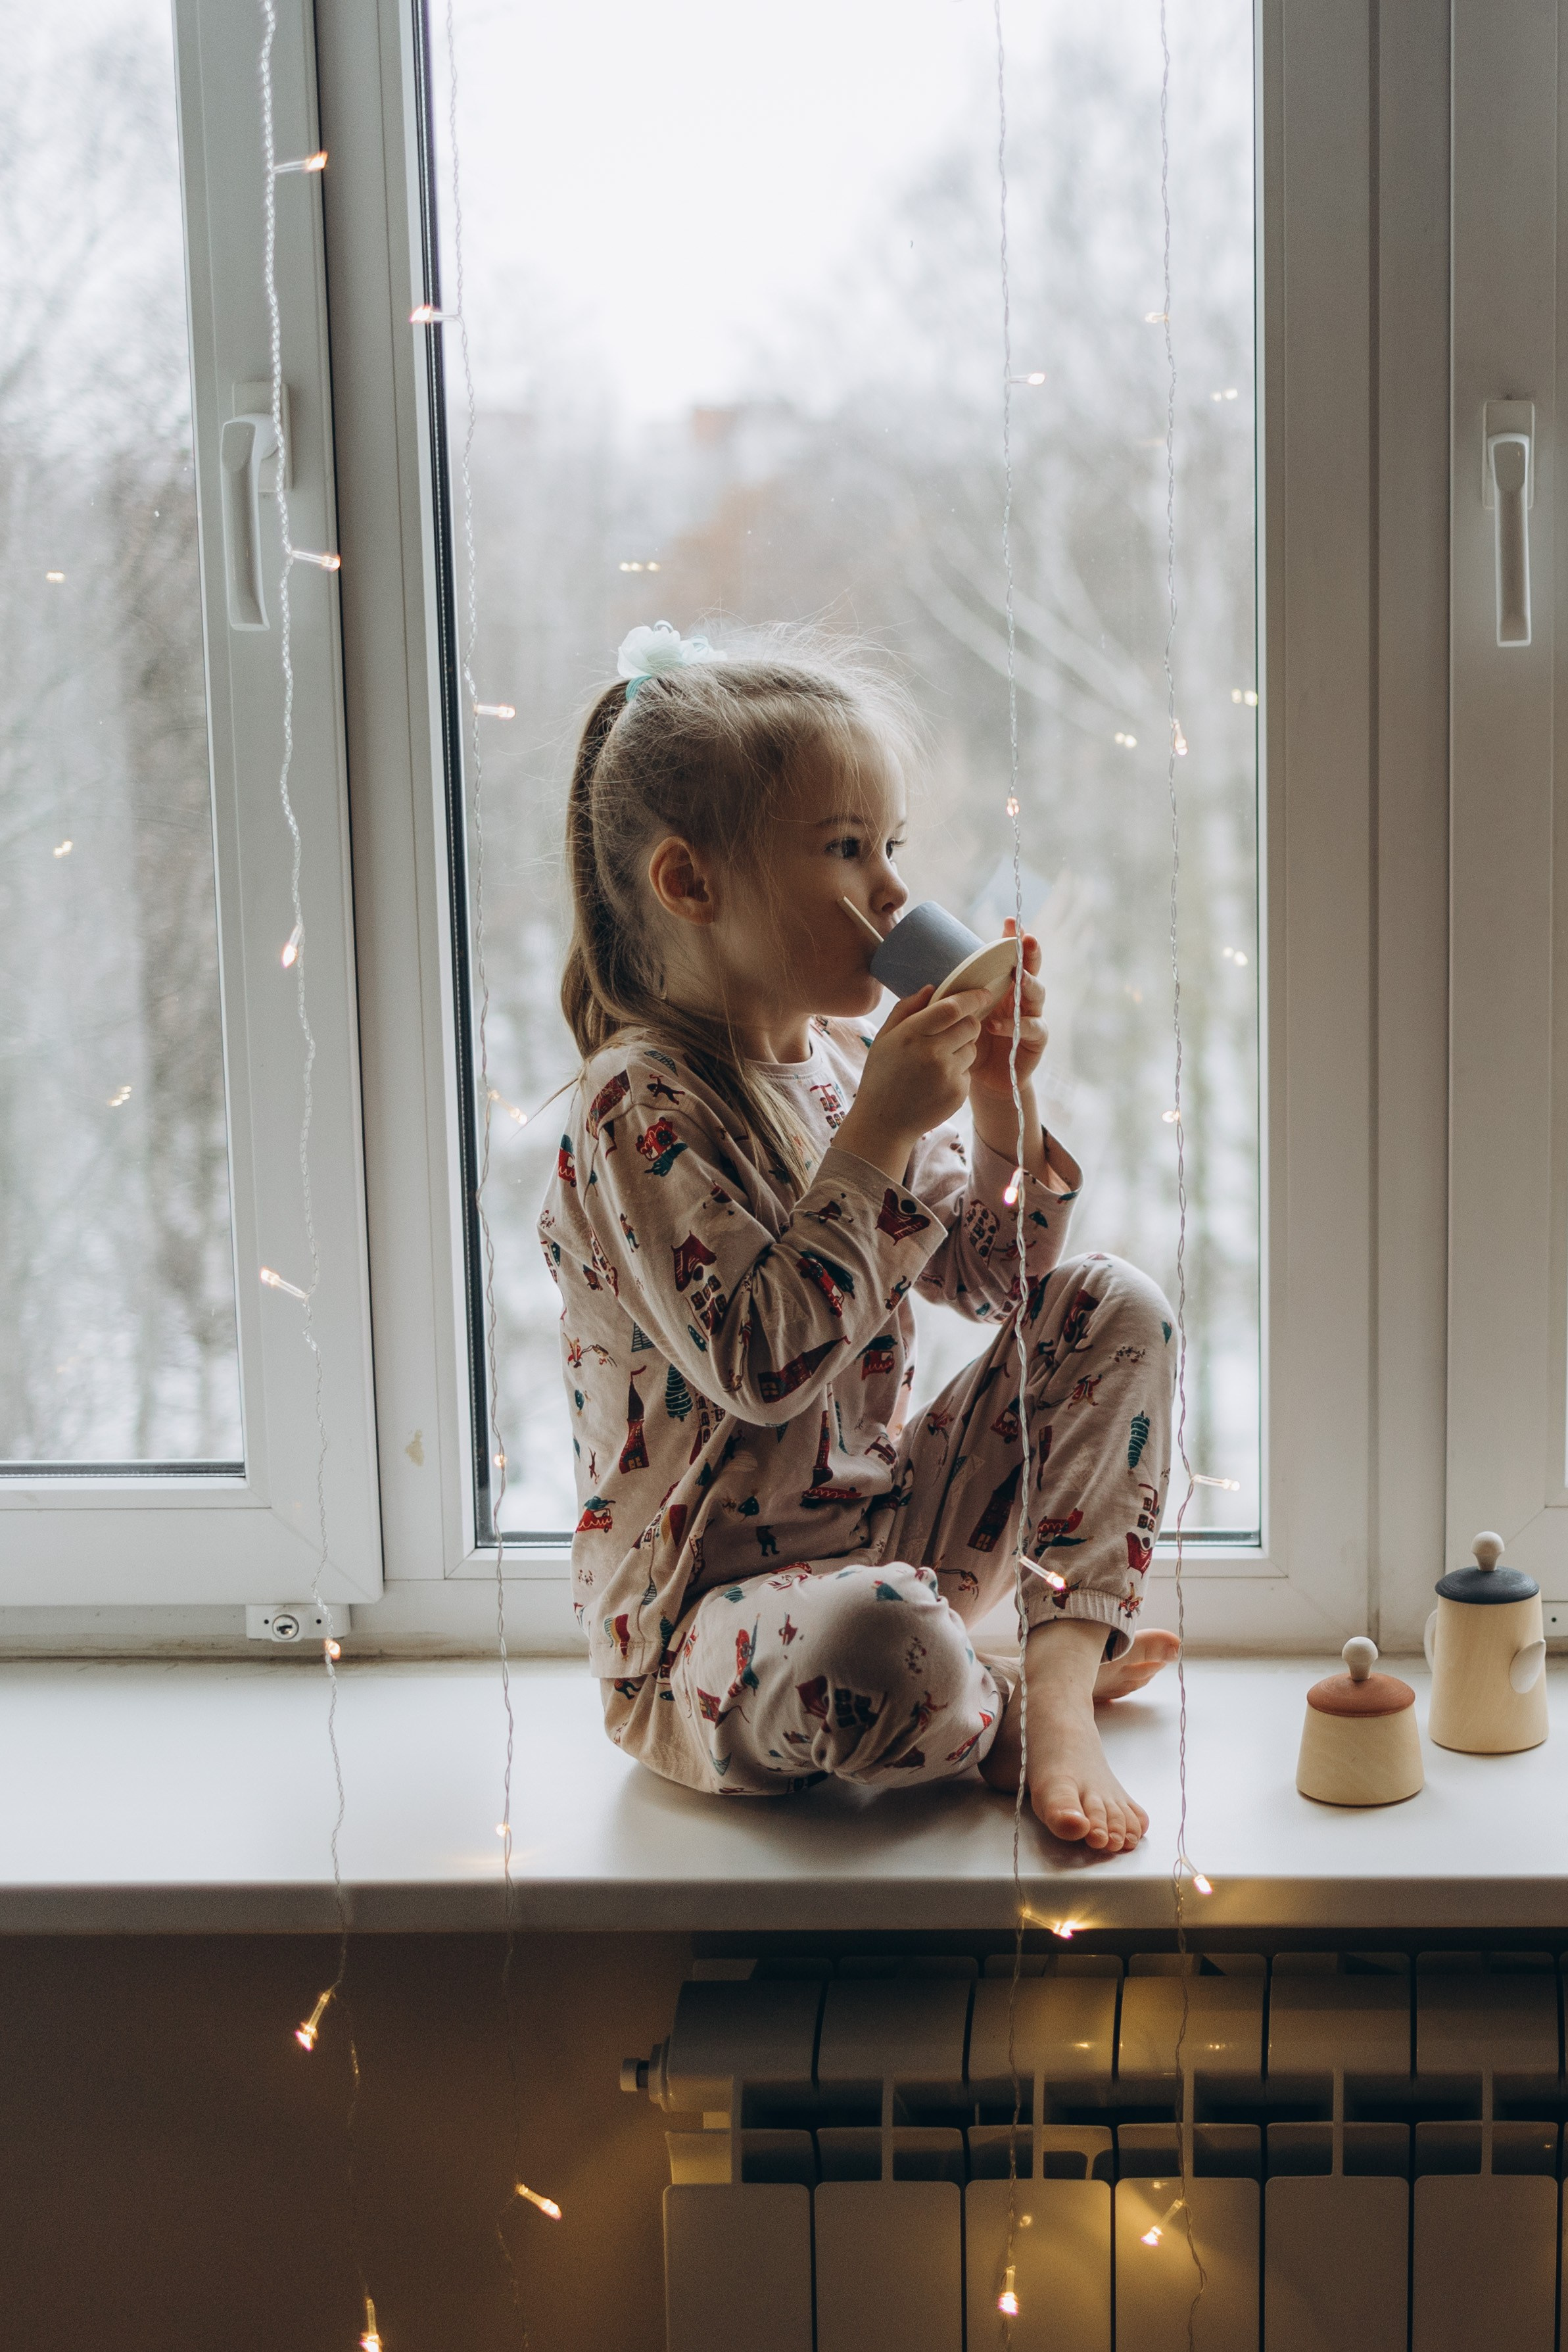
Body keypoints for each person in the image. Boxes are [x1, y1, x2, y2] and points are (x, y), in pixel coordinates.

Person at [539, 622, 1179, 1854]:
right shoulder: (639, 1107)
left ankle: (1050, 1692)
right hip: (710, 1641)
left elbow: (993, 1282)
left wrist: (995, 1106)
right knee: (880, 1636)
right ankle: (984, 1704)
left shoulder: (840, 1063)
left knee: (1116, 1303)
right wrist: (882, 1129)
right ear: (690, 884)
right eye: (845, 849)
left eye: (892, 846)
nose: (893, 892)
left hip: (893, 1540)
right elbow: (761, 1367)